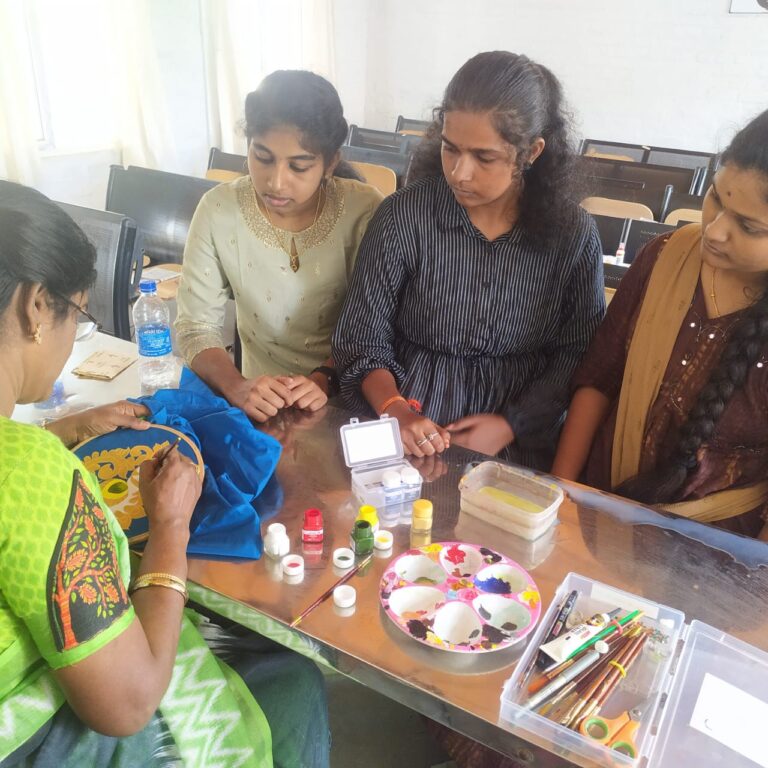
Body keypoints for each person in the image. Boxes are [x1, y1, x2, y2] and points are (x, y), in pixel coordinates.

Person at [0, 181, 329, 767]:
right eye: (75, 315)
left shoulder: (30, 451)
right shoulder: (29, 474)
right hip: (33, 742)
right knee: (292, 681)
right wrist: (173, 524)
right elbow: (126, 705)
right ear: (32, 309)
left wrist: (60, 431)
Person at [332, 51, 604, 470]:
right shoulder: (405, 216)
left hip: (518, 441)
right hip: (407, 427)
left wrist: (510, 423)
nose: (460, 173)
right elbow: (362, 337)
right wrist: (395, 409)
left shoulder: (572, 235)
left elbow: (576, 353)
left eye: (484, 157)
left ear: (531, 151)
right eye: (450, 149)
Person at [552, 109, 768, 539]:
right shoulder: (665, 256)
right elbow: (599, 379)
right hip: (598, 509)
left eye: (748, 226)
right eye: (716, 199)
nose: (716, 231)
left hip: (717, 550)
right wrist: (559, 493)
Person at [176, 70, 382, 423]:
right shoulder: (219, 209)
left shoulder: (363, 211)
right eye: (263, 157)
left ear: (330, 162)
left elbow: (377, 326)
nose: (275, 182)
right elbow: (196, 327)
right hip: (258, 406)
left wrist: (325, 378)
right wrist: (237, 386)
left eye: (299, 166)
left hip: (350, 403)